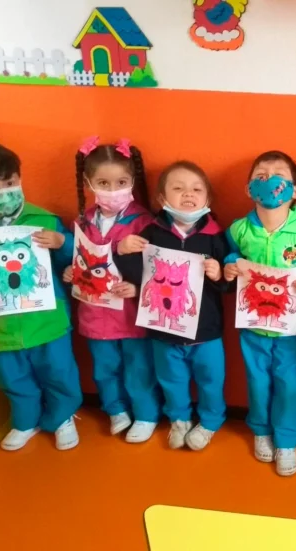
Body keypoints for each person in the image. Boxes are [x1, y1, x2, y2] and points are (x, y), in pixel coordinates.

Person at [0, 140, 82, 451]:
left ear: (19, 179)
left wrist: (62, 242)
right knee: (11, 378)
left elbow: (73, 262)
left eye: (9, 183)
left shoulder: (44, 220)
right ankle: (25, 421)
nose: (3, 191)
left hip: (47, 322)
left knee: (59, 373)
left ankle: (62, 418)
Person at [223, 151, 296, 476]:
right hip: (252, 325)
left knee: (290, 383)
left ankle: (287, 439)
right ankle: (260, 430)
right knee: (257, 381)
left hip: (293, 328)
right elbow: (231, 255)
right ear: (249, 188)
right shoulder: (239, 229)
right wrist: (229, 266)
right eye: (261, 175)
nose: (269, 180)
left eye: (279, 174)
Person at [117, 161, 230, 451]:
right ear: (162, 198)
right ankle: (179, 419)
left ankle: (211, 421)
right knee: (171, 379)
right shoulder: (151, 233)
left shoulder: (216, 236)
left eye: (196, 189)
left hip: (206, 331)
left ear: (208, 197)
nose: (188, 194)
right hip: (163, 330)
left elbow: (229, 283)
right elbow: (137, 274)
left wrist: (218, 274)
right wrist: (123, 251)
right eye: (178, 188)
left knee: (211, 380)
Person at [62, 137, 160, 443]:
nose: (113, 189)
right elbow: (82, 257)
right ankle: (116, 409)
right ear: (88, 183)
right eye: (103, 183)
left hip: (130, 315)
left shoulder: (143, 222)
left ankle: (146, 414)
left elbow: (159, 270)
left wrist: (138, 287)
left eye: (121, 182)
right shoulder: (83, 221)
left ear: (132, 182)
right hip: (94, 313)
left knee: (138, 368)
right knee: (104, 368)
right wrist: (71, 272)